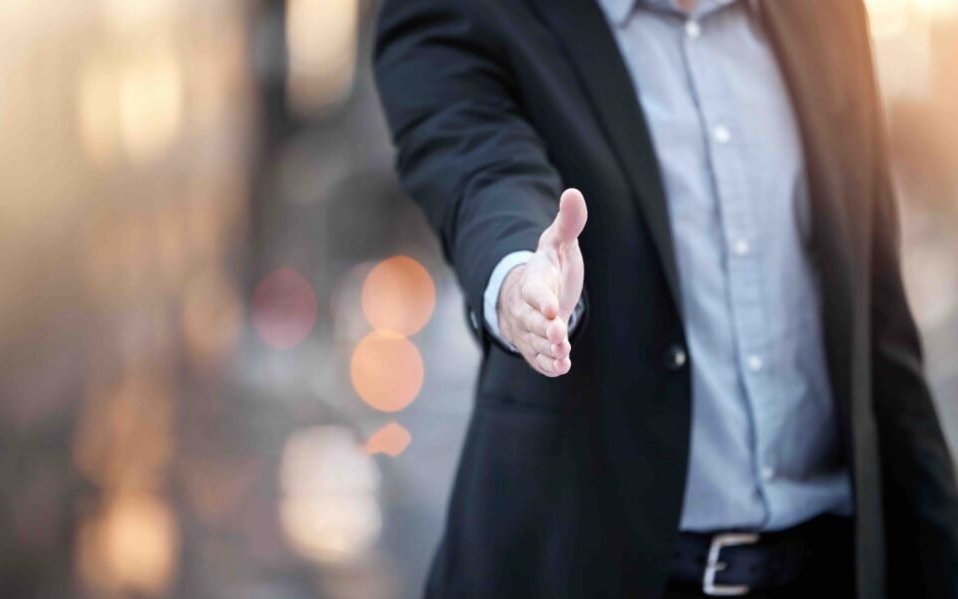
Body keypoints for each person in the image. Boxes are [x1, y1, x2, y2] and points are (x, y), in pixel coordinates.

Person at [373, 0, 958, 597]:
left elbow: (880, 329)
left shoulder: (826, 12)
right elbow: (482, 172)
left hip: (833, 567)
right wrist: (521, 277)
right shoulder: (471, 12)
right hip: (595, 573)